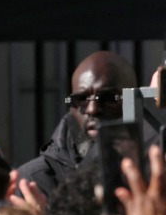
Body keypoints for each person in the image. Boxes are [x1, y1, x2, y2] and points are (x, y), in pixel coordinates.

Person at [16, 50, 137, 197]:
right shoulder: (34, 180)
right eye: (81, 99)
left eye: (108, 98)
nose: (92, 109)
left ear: (135, 100)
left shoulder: (155, 166)